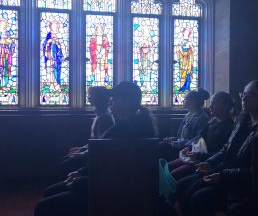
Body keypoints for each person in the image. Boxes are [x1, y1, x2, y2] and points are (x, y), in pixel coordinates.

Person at [34, 81, 157, 216]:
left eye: (114, 99)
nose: (111, 103)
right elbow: (104, 161)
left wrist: (80, 179)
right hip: (107, 185)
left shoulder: (127, 132)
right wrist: (81, 173)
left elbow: (114, 172)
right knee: (51, 192)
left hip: (110, 194)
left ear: (127, 102)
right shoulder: (136, 124)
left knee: (44, 205)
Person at [173, 80, 258, 216]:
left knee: (198, 197)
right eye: (243, 94)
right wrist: (209, 163)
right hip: (226, 171)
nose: (243, 97)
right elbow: (226, 149)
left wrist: (221, 175)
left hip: (245, 186)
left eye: (251, 94)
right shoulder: (242, 122)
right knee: (185, 185)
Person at [167, 92, 235, 181]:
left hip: (206, 162)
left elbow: (222, 152)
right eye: (211, 103)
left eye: (214, 103)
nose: (210, 106)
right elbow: (199, 138)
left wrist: (198, 155)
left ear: (225, 106)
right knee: (166, 167)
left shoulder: (230, 127)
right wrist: (189, 148)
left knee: (173, 176)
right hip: (196, 156)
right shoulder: (212, 122)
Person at [60, 86, 115, 175]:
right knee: (66, 159)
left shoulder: (104, 118)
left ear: (99, 98)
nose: (88, 97)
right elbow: (95, 141)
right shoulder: (100, 114)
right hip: (92, 152)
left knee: (66, 164)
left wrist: (83, 154)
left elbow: (101, 145)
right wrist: (82, 148)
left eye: (91, 95)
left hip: (97, 158)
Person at [160, 89, 210, 161]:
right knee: (160, 145)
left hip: (188, 150)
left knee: (162, 151)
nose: (183, 101)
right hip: (180, 146)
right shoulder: (188, 115)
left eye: (186, 99)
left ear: (193, 102)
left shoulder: (202, 118)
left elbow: (198, 139)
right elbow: (181, 136)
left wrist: (177, 143)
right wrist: (172, 139)